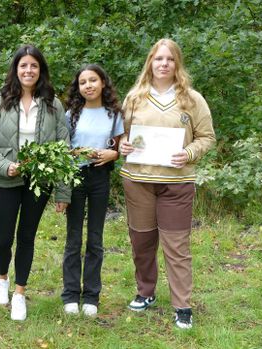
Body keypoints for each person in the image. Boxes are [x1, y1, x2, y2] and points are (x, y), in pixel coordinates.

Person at [119, 39, 215, 329]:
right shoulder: (135, 97)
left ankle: (182, 305)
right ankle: (146, 292)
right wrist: (123, 145)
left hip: (176, 184)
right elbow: (122, 136)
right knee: (142, 243)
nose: (163, 64)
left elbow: (207, 138)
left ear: (177, 64)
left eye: (169, 59)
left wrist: (188, 152)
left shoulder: (192, 99)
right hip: (139, 181)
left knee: (176, 245)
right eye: (158, 59)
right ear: (150, 62)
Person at [0, 44, 70, 321]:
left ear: (40, 70)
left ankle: (19, 293)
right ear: (15, 70)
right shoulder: (0, 103)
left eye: (34, 66)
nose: (28, 70)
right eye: (23, 65)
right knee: (3, 238)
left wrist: (62, 191)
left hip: (39, 182)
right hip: (7, 179)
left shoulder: (54, 104)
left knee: (27, 236)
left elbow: (64, 146)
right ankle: (2, 278)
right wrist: (6, 167)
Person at [61, 64, 123, 317]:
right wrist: (79, 153)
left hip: (100, 176)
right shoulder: (71, 115)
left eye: (93, 80)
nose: (88, 85)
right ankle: (70, 295)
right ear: (78, 87)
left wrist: (114, 154)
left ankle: (91, 297)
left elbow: (120, 147)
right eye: (83, 82)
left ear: (103, 83)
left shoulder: (114, 114)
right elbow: (63, 150)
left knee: (95, 238)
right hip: (76, 176)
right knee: (74, 237)